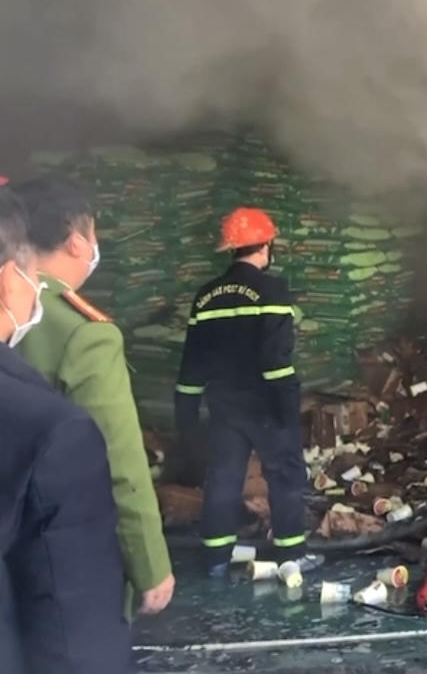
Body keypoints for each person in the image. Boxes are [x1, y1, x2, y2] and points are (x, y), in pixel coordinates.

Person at [13, 178, 174, 618]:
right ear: (75, 240)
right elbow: (118, 459)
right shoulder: (84, 334)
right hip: (60, 552)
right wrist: (150, 563)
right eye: (93, 234)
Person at [0, 187, 133, 673]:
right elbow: (73, 633)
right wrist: (150, 566)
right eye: (30, 274)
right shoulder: (54, 433)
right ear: (7, 282)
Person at [174, 207, 322, 576]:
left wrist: (186, 414)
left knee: (224, 478)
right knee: (284, 474)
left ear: (231, 248)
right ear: (267, 246)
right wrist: (287, 409)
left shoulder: (205, 296)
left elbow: (192, 362)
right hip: (266, 404)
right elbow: (276, 360)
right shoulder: (272, 290)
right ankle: (291, 555)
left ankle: (216, 559)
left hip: (224, 405)